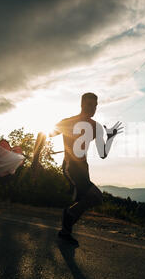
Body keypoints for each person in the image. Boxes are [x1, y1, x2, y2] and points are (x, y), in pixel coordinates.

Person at [49, 92, 123, 245]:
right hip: (71, 167)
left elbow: (102, 154)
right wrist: (35, 160)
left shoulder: (96, 127)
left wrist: (110, 138)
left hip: (83, 168)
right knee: (96, 197)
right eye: (89, 104)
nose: (92, 108)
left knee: (80, 201)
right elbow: (45, 134)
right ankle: (68, 218)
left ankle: (65, 232)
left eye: (95, 105)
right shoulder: (68, 122)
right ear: (82, 104)